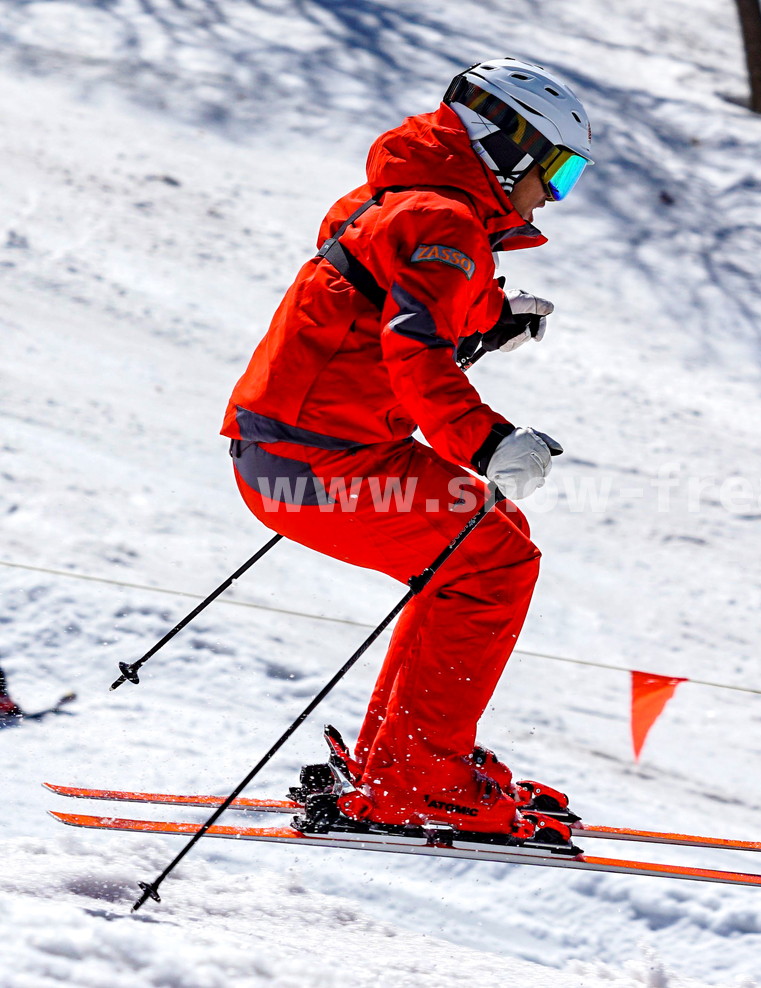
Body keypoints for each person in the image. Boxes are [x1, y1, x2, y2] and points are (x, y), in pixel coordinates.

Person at [220, 58, 593, 841]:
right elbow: (412, 350)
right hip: (316, 464)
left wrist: (487, 320)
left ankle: (406, 762)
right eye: (556, 170)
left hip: (308, 452)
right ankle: (421, 780)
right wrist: (488, 442)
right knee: (491, 561)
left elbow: (394, 306)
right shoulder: (444, 220)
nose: (553, 195)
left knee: (486, 544)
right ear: (505, 146)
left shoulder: (408, 205)